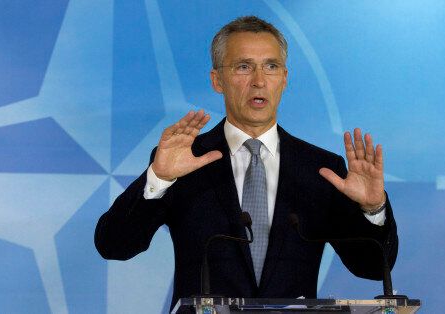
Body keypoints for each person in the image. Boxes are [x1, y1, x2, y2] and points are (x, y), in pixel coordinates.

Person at [95, 16, 398, 311]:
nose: (258, 81)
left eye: (271, 66)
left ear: (284, 78)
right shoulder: (185, 161)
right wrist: (159, 179)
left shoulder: (320, 169)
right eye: (243, 67)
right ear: (217, 80)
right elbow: (114, 245)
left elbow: (370, 268)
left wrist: (373, 210)